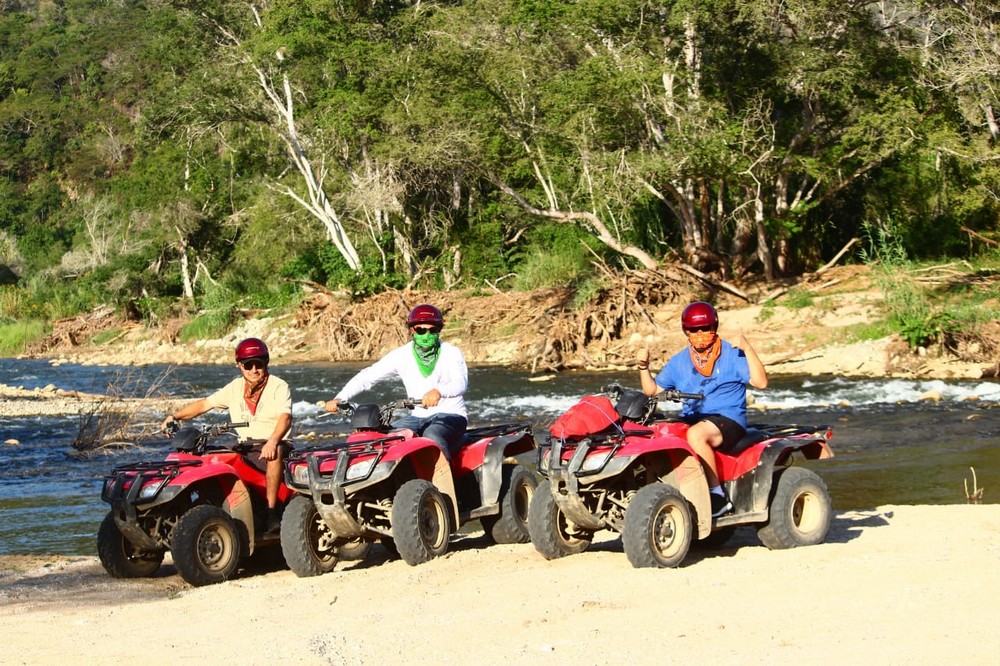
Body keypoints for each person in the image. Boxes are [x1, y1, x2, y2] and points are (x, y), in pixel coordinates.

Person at [637, 301, 767, 518]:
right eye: (694, 330)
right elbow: (652, 390)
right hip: (693, 417)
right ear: (686, 332)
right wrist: (643, 367)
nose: (700, 334)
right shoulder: (679, 361)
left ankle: (717, 496)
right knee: (659, 432)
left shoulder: (732, 353)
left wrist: (748, 348)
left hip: (728, 418)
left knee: (696, 434)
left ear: (714, 327)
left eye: (705, 328)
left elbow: (761, 382)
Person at [160, 337, 292, 533]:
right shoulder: (235, 388)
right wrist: (175, 416)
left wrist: (272, 441)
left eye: (259, 364)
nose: (254, 369)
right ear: (239, 365)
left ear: (266, 362)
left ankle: (271, 512)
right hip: (246, 446)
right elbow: (205, 404)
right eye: (248, 365)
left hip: (275, 443)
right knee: (212, 457)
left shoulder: (278, 386)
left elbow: (286, 417)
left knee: (276, 452)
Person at [324, 304, 468, 460]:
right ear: (412, 330)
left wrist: (439, 391)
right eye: (421, 330)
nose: (427, 334)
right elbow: (367, 377)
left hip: (452, 416)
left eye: (433, 330)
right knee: (383, 437)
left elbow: (460, 383)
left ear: (439, 330)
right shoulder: (401, 355)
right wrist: (340, 398)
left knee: (431, 435)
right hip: (416, 417)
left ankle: (445, 475)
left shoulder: (451, 352)